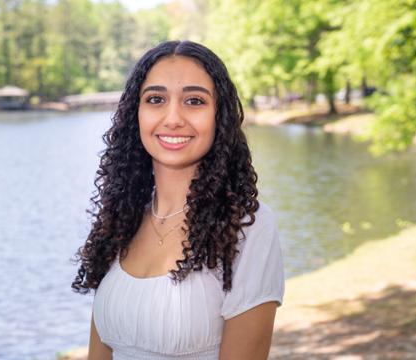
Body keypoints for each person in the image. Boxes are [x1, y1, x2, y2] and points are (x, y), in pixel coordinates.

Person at [72, 40, 285, 360]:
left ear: (219, 116)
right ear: (136, 114)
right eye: (156, 99)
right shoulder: (120, 218)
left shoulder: (247, 227)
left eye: (194, 101)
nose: (173, 118)